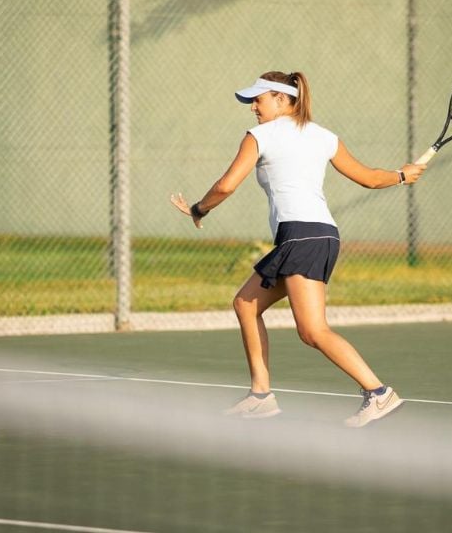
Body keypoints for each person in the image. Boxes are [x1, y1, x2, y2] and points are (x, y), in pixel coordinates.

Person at [171, 71, 426, 427]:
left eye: (258, 100)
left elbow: (227, 185)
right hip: (318, 234)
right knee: (245, 303)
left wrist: (199, 209)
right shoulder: (324, 136)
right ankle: (261, 395)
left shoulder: (260, 136)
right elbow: (369, 177)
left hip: (301, 236)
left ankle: (379, 393)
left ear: (280, 98)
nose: (253, 109)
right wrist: (400, 175)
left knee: (312, 331)